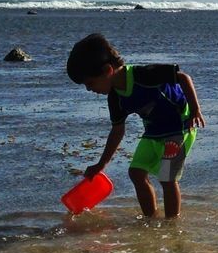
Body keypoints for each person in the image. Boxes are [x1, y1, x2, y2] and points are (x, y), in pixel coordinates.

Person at [66, 33, 205, 219]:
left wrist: (195, 109)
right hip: (153, 131)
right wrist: (101, 164)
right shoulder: (115, 98)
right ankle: (150, 218)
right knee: (136, 173)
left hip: (179, 127)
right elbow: (117, 131)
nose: (89, 89)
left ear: (108, 70)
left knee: (166, 177)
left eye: (90, 83)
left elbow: (182, 77)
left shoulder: (143, 75)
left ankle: (171, 225)